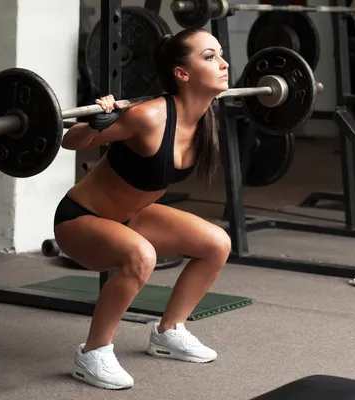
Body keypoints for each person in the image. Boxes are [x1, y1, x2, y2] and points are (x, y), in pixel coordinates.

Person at [53, 28, 232, 390]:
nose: (224, 63)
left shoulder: (205, 120)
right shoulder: (148, 117)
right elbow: (68, 140)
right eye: (210, 57)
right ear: (182, 73)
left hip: (132, 217)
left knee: (217, 243)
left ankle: (169, 332)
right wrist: (94, 122)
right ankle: (92, 353)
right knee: (142, 256)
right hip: (80, 219)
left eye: (220, 54)